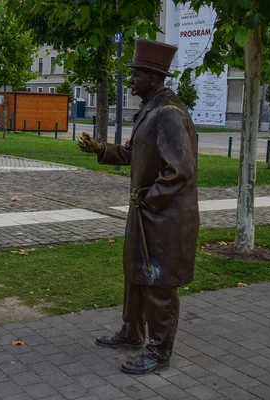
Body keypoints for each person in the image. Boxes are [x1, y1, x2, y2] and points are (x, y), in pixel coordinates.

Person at [78, 39, 199, 375]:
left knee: (159, 283)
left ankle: (159, 350)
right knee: (135, 273)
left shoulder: (169, 114)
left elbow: (180, 170)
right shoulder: (150, 108)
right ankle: (132, 332)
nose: (130, 81)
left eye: (135, 76)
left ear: (153, 77)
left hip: (165, 217)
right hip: (146, 213)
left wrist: (150, 198)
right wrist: (100, 149)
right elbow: (135, 155)